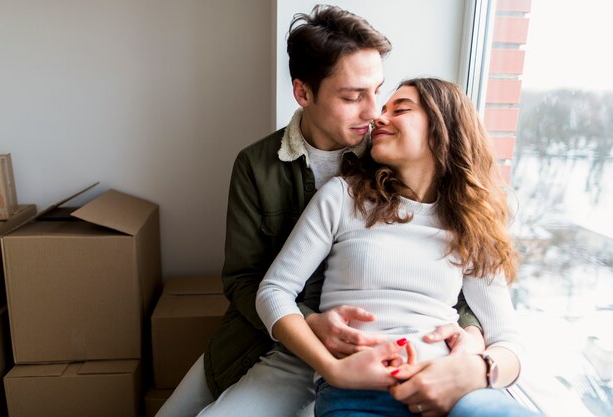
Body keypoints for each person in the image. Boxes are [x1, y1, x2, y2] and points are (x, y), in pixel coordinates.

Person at [157, 6, 483, 417]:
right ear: (303, 93)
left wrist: (471, 339)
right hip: (273, 336)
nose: (373, 112)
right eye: (352, 97)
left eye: (377, 90)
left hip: (368, 348)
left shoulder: (394, 156)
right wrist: (311, 322)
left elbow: (458, 266)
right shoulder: (257, 166)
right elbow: (244, 281)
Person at [256, 78, 544, 417]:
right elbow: (274, 291)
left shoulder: (470, 223)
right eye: (383, 109)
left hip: (454, 392)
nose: (378, 118)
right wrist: (334, 370)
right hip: (357, 393)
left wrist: (476, 370)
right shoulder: (342, 197)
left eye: (400, 109)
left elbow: (509, 341)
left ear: (442, 128)